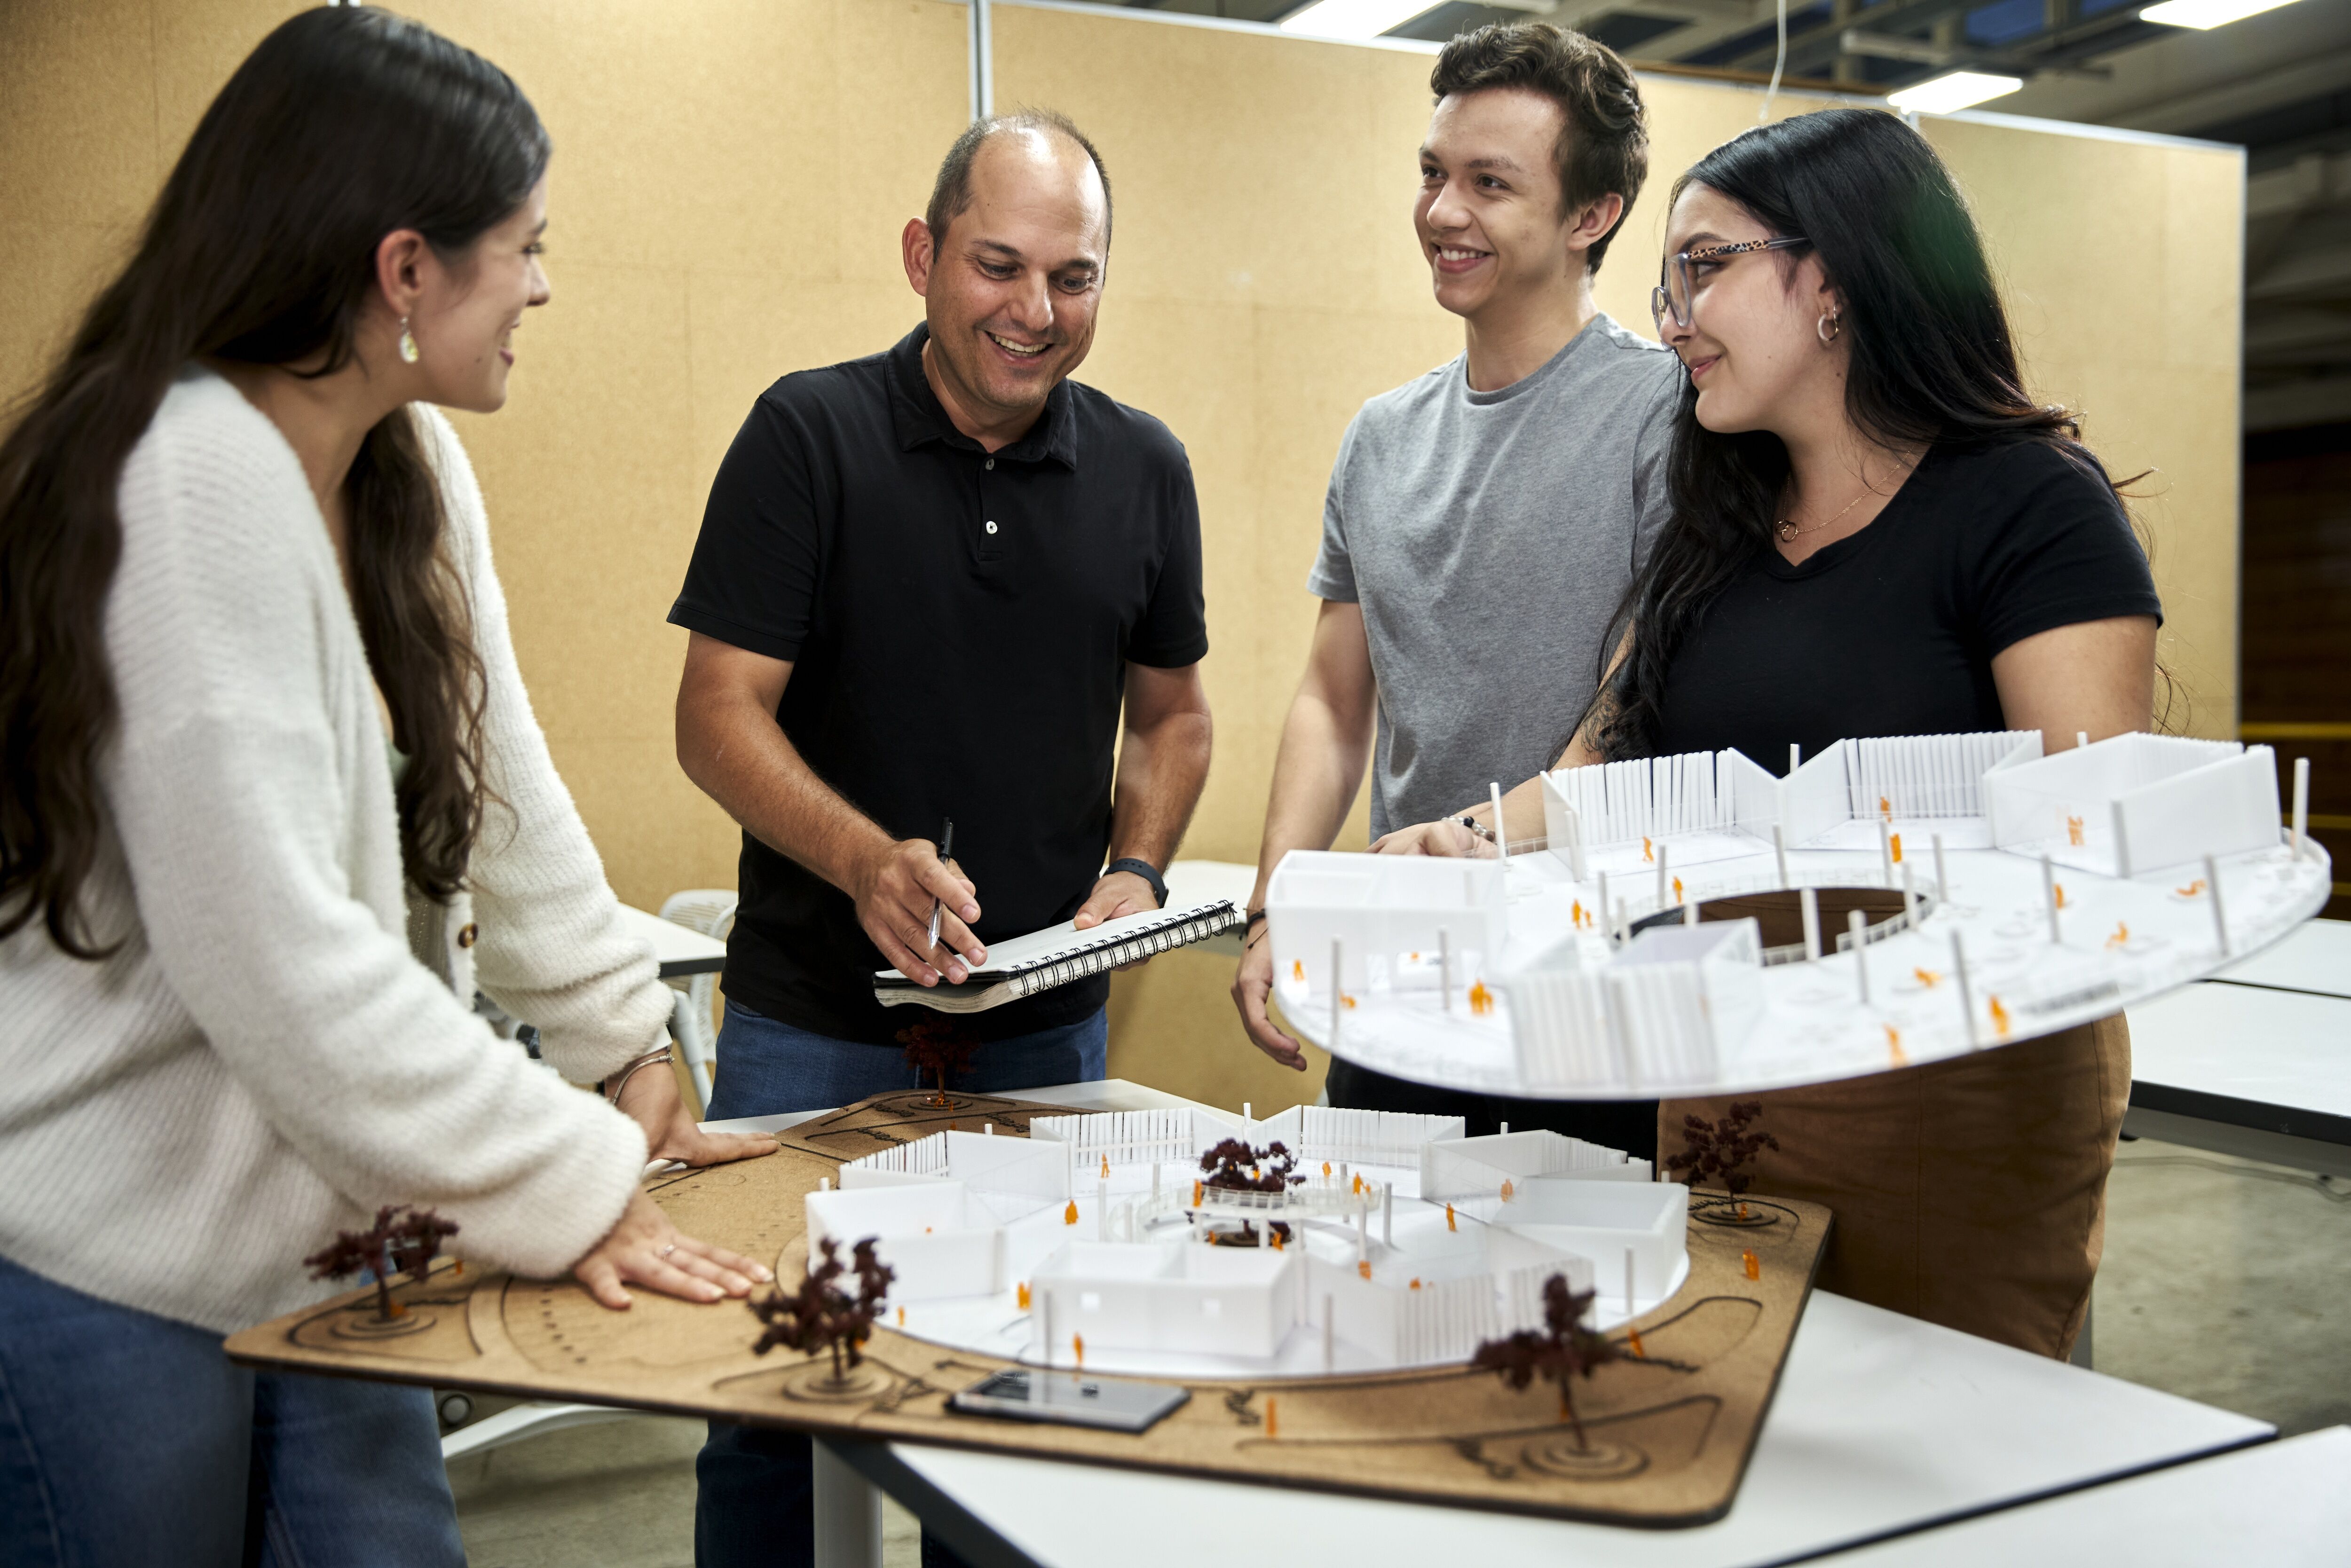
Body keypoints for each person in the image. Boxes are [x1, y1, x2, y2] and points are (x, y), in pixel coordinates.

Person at [0, 12, 778, 1565]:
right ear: (406, 270)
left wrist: (628, 1041)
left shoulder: (399, 457)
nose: (545, 283)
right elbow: (285, 965)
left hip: (327, 1237)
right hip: (108, 1261)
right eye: (524, 246)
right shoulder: (184, 472)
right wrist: (573, 1172)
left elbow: (497, 795)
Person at [1380, 107, 2162, 1360]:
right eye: (1668, 278)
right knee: (1736, 1416)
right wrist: (1472, 836)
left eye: (1705, 266)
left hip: (1949, 1080)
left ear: (1837, 280)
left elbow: (2089, 835)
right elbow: (1622, 745)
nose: (1673, 316)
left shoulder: (2026, 505)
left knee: (1943, 1446)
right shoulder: (1724, 518)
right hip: (1732, 1070)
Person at [670, 111, 1210, 1567]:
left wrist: (1136, 873)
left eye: (1075, 278)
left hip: (1045, 1041)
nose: (1036, 315)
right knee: (785, 1397)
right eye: (999, 266)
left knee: (1025, 1402)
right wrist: (863, 861)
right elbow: (718, 715)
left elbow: (1173, 726)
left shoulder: (1147, 469)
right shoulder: (809, 434)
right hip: (812, 1029)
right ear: (923, 257)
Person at [1230, 22, 1681, 1159]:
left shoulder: (1665, 417)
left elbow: (1643, 702)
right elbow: (1335, 699)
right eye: (1433, 174)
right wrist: (1283, 897)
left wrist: (1472, 841)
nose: (1441, 213)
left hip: (1589, 984)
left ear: (1592, 217)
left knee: (1569, 1318)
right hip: (1398, 974)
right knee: (1381, 1291)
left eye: (1490, 184)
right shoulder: (1380, 437)